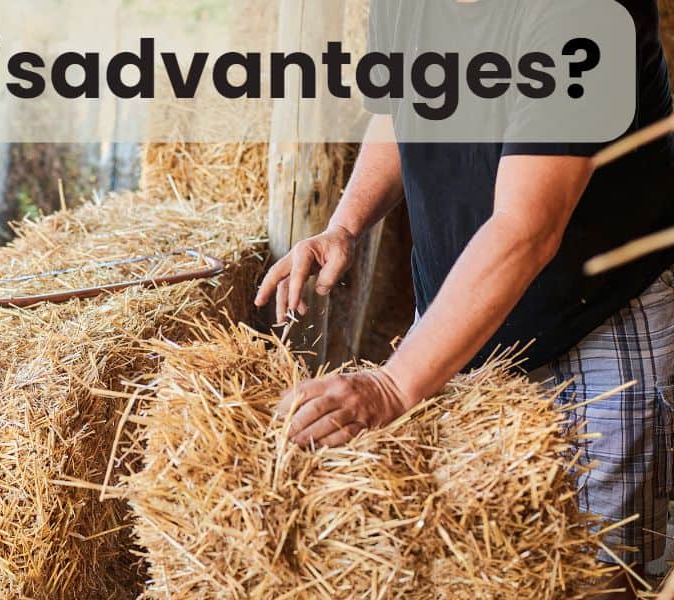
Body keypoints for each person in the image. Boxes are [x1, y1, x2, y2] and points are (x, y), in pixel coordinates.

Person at [254, 0, 674, 596]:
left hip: (595, 326)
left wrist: (392, 385)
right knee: (465, 568)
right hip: (456, 316)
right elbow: (401, 112)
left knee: (595, 574)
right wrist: (344, 226)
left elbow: (526, 229)